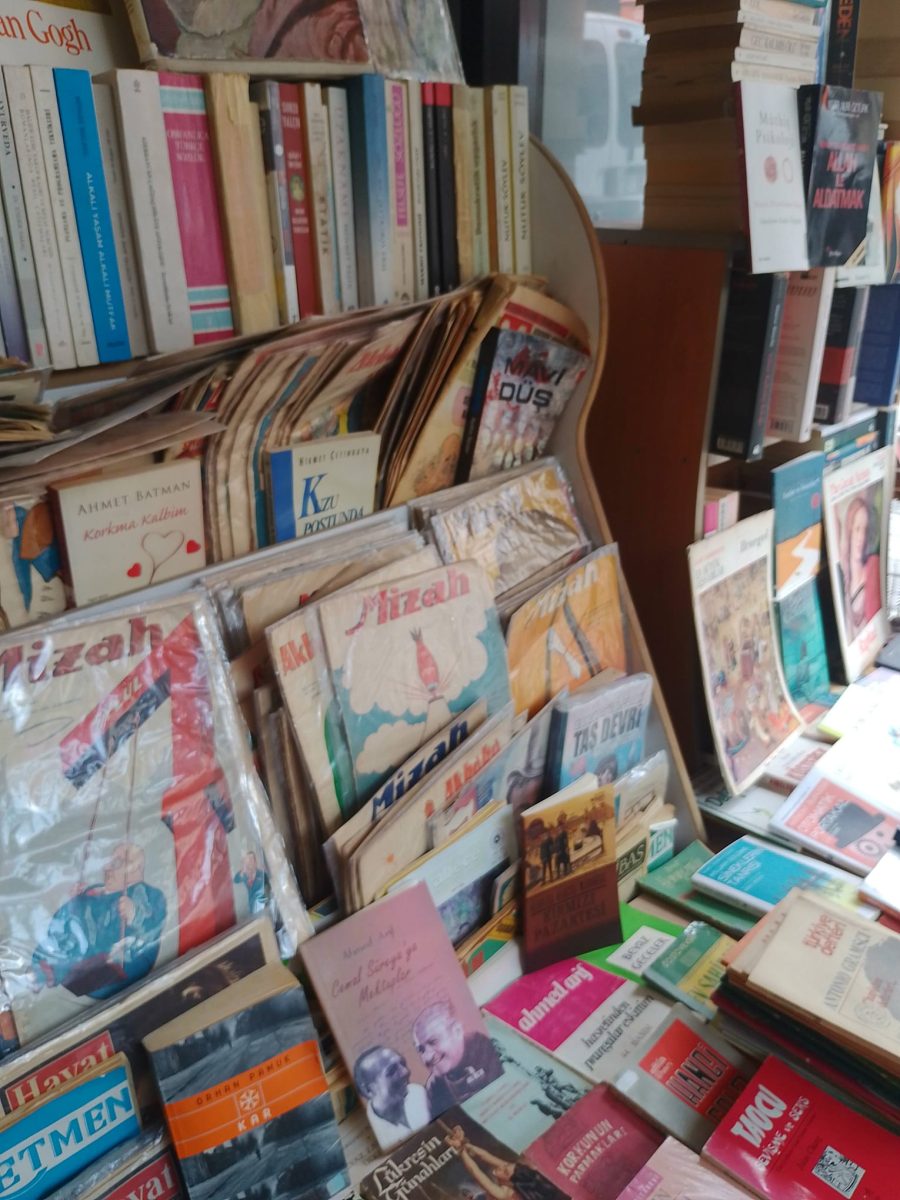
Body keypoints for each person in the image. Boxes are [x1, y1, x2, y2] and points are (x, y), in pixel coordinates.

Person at [28, 843, 166, 1000]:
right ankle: (40, 970)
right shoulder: (97, 894)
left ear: (136, 868)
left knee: (82, 953)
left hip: (118, 962)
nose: (107, 868)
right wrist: (77, 901)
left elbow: (153, 923)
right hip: (89, 957)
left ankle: (47, 970)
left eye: (117, 863)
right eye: (109, 862)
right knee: (66, 935)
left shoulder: (146, 894)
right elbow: (68, 922)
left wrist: (134, 913)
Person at [413, 1001, 502, 1111]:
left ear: (457, 1031)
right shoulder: (434, 1088)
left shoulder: (490, 1049)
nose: (428, 1057)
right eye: (421, 1050)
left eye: (433, 1042)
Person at [445, 1125, 564, 1200]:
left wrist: (460, 1149)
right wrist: (464, 1143)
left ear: (510, 1182)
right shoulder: (511, 1171)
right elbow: (485, 1156)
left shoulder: (504, 1194)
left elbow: (474, 1171)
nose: (501, 1167)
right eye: (506, 1165)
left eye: (505, 1172)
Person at [352, 1046, 429, 1148]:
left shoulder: (418, 1093)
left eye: (402, 1063)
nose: (405, 1071)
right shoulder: (372, 1133)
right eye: (392, 1071)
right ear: (368, 1090)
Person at [840, 495, 882, 639]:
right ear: (850, 530)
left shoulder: (873, 573)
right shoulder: (842, 581)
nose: (861, 537)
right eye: (857, 529)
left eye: (865, 530)